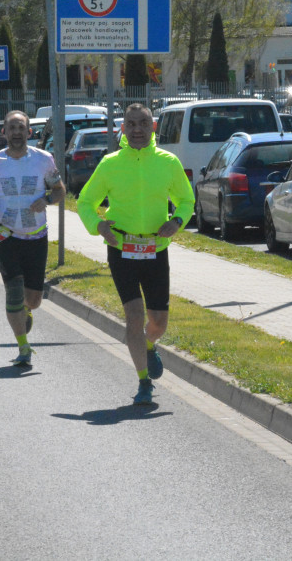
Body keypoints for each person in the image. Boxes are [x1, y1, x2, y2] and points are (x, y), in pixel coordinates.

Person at [76, 103, 194, 405]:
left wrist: (177, 221)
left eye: (143, 123)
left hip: (156, 249)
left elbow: (186, 200)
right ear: (123, 129)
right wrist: (99, 226)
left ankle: (149, 345)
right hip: (122, 249)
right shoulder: (110, 163)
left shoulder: (168, 162)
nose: (138, 129)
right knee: (134, 315)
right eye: (131, 124)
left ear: (152, 127)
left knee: (159, 322)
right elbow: (85, 202)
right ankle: (144, 382)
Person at [0, 110, 65, 366]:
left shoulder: (44, 159)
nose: (16, 132)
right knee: (13, 291)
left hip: (36, 236)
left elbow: (60, 190)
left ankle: (25, 310)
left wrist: (46, 200)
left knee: (34, 300)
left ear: (29, 132)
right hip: (5, 235)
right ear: (4, 132)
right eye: (11, 128)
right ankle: (24, 348)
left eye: (20, 128)